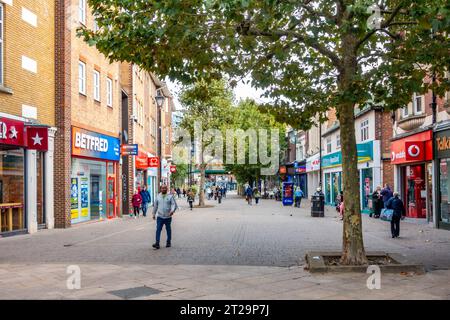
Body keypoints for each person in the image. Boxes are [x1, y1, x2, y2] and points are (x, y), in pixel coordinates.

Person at [152, 185, 178, 249]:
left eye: (165, 188)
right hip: (160, 216)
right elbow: (155, 206)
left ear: (167, 189)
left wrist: (172, 211)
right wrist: (153, 214)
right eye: (162, 188)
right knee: (158, 229)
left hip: (168, 217)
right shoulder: (158, 196)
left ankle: (168, 242)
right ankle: (157, 243)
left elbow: (174, 205)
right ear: (160, 189)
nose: (163, 189)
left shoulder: (170, 196)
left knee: (168, 229)